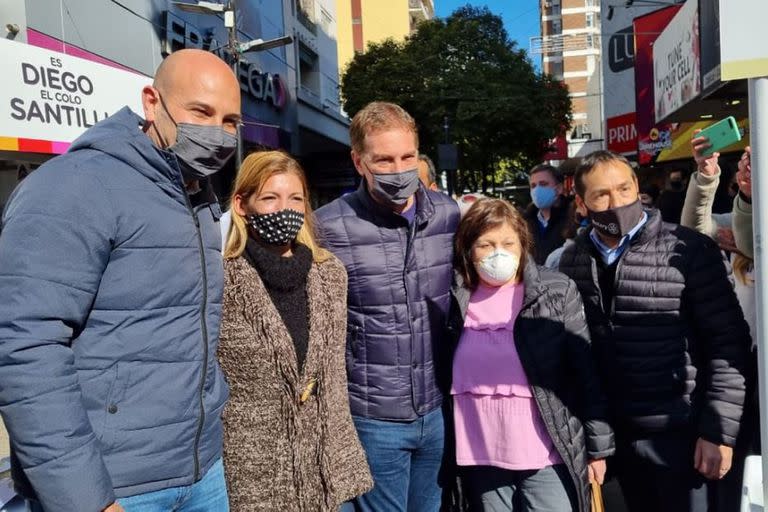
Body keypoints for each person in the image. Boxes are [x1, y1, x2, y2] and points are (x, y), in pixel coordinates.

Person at [0, 49, 239, 511]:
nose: (217, 133)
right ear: (152, 103)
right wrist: (85, 498)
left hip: (201, 472)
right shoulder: (76, 185)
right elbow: (24, 347)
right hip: (116, 487)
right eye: (201, 112)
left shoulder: (198, 197)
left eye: (230, 121)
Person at [558, 150, 751, 512]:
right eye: (602, 195)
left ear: (637, 188)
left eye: (624, 189)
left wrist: (718, 432)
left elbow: (727, 343)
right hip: (615, 439)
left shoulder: (688, 249)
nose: (616, 202)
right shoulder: (573, 261)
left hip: (684, 436)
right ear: (582, 204)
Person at [315, 101, 460, 512]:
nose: (399, 170)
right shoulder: (327, 226)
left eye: (407, 157)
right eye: (384, 160)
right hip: (372, 417)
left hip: (436, 412)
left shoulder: (447, 215)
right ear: (358, 161)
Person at [217, 151, 372, 510]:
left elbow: (333, 376)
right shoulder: (222, 279)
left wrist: (340, 458)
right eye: (270, 197)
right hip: (253, 471)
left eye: (295, 198)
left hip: (324, 466)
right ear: (242, 204)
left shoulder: (330, 273)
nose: (284, 208)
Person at [448, 198, 613, 511]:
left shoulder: (555, 290)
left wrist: (598, 447)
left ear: (523, 244)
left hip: (547, 456)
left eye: (508, 243)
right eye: (486, 244)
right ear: (467, 249)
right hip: (480, 457)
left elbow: (585, 371)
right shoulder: (454, 298)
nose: (499, 253)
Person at [685, 136, 757, 511]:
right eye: (745, 162)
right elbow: (696, 229)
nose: (747, 169)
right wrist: (707, 176)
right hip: (744, 371)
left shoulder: (747, 230)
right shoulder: (736, 223)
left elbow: (748, 239)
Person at [524, 164, 570, 265]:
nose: (537, 190)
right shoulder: (525, 223)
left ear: (559, 189)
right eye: (533, 186)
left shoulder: (573, 218)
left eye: (543, 184)